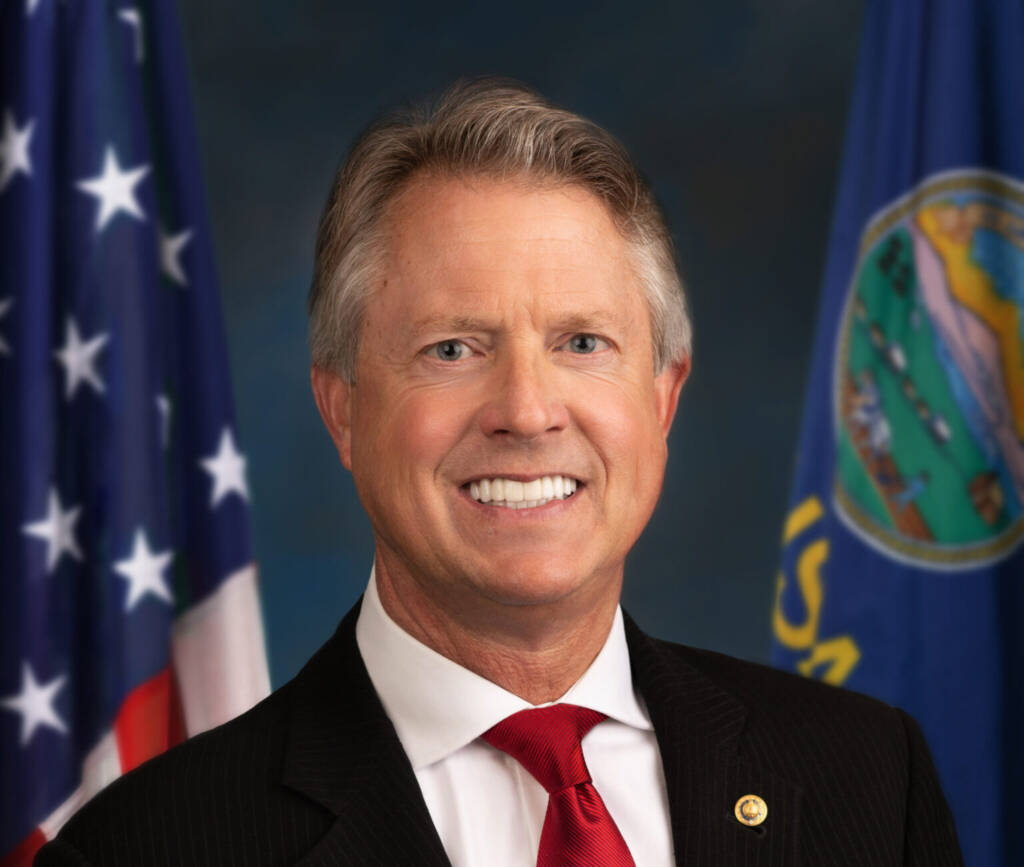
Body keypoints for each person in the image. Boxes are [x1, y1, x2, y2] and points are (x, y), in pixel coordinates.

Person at [35, 78, 963, 866]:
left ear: (664, 397)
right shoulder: (150, 845)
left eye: (583, 342)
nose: (526, 408)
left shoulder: (871, 783)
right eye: (452, 348)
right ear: (343, 407)